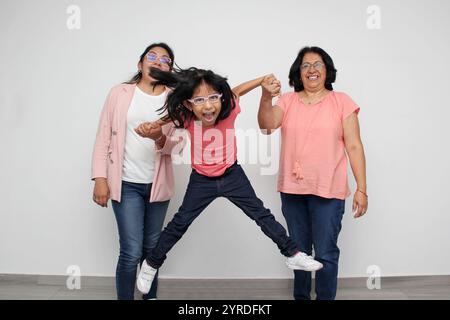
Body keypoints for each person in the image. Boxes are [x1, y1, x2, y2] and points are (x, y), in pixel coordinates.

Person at [133, 67, 324, 294]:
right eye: (200, 100)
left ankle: (293, 254)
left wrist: (261, 79)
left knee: (261, 215)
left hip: (232, 175)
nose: (208, 105)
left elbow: (238, 90)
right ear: (188, 104)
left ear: (221, 98)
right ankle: (151, 264)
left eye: (214, 97)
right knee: (180, 223)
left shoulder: (229, 108)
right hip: (201, 180)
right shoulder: (185, 117)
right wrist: (152, 126)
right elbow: (167, 118)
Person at [258, 46, 368, 300]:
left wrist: (362, 188)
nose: (312, 70)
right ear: (299, 72)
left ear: (327, 70)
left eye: (317, 64)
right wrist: (266, 97)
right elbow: (266, 126)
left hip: (329, 190)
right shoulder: (286, 101)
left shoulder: (342, 101)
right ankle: (301, 297)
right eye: (305, 65)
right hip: (293, 191)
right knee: (298, 253)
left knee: (326, 252)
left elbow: (354, 145)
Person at [91, 43, 185, 300]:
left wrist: (158, 137)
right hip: (125, 183)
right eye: (151, 57)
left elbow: (178, 148)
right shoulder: (119, 93)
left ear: (169, 69)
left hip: (157, 187)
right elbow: (103, 138)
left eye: (165, 60)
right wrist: (100, 178)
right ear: (140, 64)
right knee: (131, 251)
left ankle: (149, 296)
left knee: (152, 250)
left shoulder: (174, 100)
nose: (158, 62)